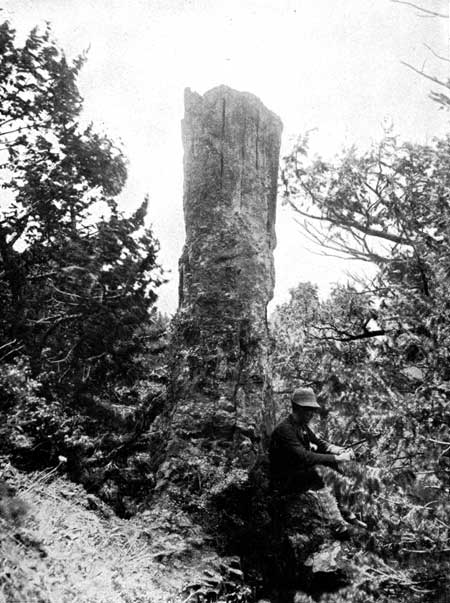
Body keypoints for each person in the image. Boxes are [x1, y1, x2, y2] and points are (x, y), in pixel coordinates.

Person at [269, 386, 357, 538]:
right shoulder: (285, 430)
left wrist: (339, 451)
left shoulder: (301, 426)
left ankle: (343, 509)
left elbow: (320, 443)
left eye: (312, 409)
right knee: (320, 470)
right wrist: (337, 458)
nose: (312, 413)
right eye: (308, 409)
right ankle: (337, 524)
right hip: (283, 481)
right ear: (298, 409)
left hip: (297, 474)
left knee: (331, 465)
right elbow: (304, 456)